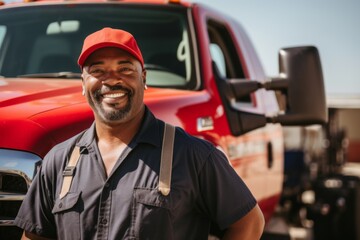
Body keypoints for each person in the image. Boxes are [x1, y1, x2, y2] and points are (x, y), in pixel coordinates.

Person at [15, 27, 265, 240]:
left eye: (125, 69)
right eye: (98, 70)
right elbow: (34, 235)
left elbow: (249, 223)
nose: (111, 80)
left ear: (143, 78)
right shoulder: (57, 161)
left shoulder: (194, 156)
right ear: (83, 84)